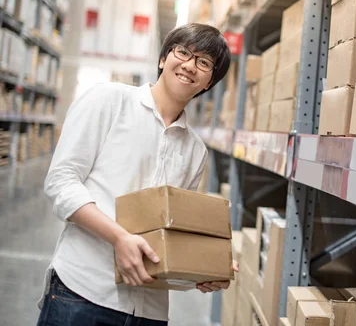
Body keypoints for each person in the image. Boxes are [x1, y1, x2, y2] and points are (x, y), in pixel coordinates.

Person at [37, 24, 236, 326]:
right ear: (162, 59)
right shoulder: (109, 101)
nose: (189, 65)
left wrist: (203, 270)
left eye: (204, 62)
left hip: (149, 311)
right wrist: (119, 238)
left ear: (209, 82)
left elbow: (173, 233)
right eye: (183, 52)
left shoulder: (196, 151)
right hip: (82, 293)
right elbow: (61, 181)